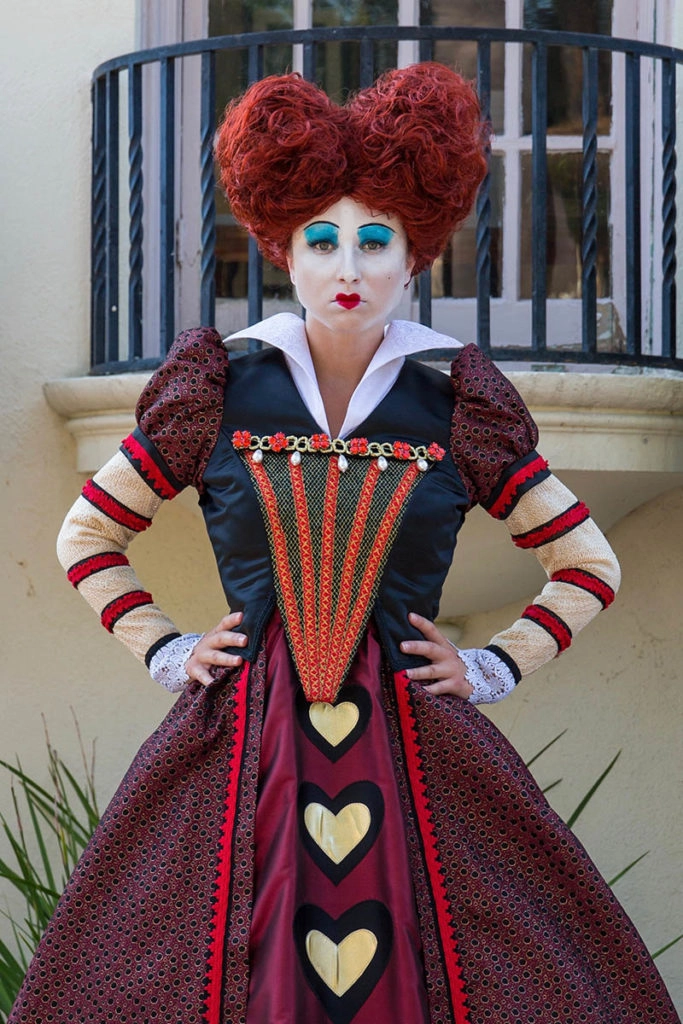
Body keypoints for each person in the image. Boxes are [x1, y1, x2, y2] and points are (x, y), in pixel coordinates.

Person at [9, 65, 678, 1024]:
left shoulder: (452, 400)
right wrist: (164, 647)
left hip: (415, 740)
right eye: (322, 241)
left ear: (414, 255)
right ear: (284, 250)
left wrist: (492, 666)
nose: (348, 268)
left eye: (375, 240)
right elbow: (88, 534)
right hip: (242, 744)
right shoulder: (220, 388)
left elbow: (585, 562)